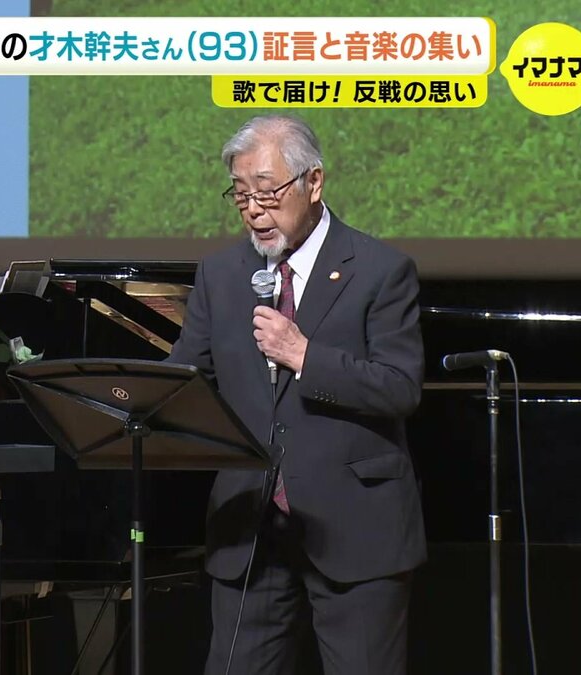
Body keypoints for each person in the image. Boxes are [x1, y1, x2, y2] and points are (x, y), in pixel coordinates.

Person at [167, 115, 426, 675]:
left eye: (267, 192)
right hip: (250, 532)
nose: (253, 210)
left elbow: (400, 387)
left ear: (313, 182)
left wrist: (305, 356)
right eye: (240, 195)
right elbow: (186, 378)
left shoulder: (380, 270)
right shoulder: (220, 274)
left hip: (354, 528)